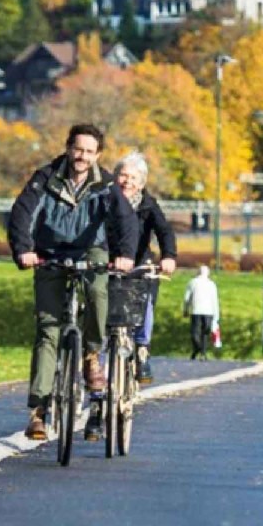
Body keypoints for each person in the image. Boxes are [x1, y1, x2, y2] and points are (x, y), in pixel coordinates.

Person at [7, 124, 138, 442]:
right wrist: (24, 250)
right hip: (49, 253)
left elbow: (125, 221)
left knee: (97, 291)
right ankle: (39, 411)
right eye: (77, 149)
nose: (82, 156)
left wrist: (124, 255)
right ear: (67, 148)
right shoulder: (44, 178)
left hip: (91, 252)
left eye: (89, 152)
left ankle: (91, 354)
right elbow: (22, 213)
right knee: (48, 330)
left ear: (98, 156)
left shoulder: (106, 185)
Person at [114, 151, 177, 384]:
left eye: (133, 178)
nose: (127, 182)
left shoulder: (148, 205)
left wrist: (168, 256)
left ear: (141, 183)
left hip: (140, 265)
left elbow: (164, 231)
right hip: (110, 264)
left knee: (145, 302)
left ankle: (141, 348)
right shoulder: (104, 200)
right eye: (123, 175)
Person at [182, 266, 219, 361]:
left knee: (195, 332)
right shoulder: (210, 284)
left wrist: (185, 309)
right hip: (207, 312)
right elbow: (215, 300)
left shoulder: (193, 282)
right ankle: (201, 351)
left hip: (197, 311)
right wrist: (216, 315)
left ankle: (199, 349)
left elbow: (187, 298)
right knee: (204, 333)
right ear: (208, 273)